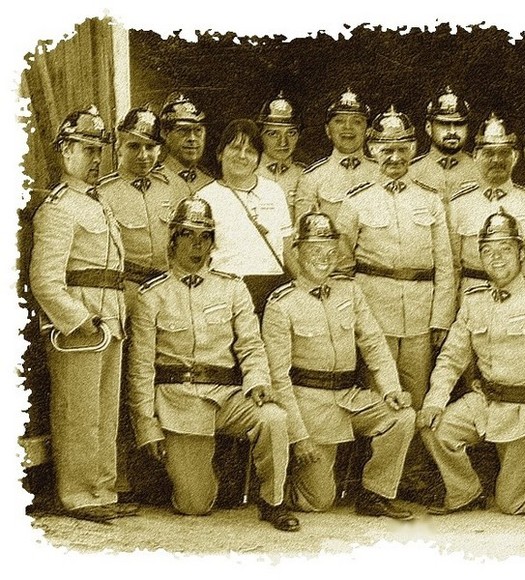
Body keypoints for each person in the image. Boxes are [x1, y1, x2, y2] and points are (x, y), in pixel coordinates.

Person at [127, 197, 301, 532]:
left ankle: (273, 502)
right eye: (188, 235)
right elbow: (141, 368)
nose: (197, 245)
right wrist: (147, 425)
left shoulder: (232, 287)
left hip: (228, 396)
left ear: (213, 243)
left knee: (273, 417)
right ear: (173, 240)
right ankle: (204, 474)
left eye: (205, 237)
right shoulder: (152, 295)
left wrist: (257, 380)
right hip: (181, 402)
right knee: (194, 505)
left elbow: (251, 344)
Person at [419, 209, 525, 516]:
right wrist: (434, 400)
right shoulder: (474, 300)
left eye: (505, 249)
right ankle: (465, 492)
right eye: (487, 251)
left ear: (522, 253)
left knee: (513, 503)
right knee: (434, 427)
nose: (496, 258)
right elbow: (451, 358)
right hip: (484, 403)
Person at [262, 212, 416, 520]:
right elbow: (278, 378)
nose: (325, 257)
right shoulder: (281, 304)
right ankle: (278, 484)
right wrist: (298, 436)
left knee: (402, 416)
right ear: (297, 252)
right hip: (311, 406)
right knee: (319, 500)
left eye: (331, 250)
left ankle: (374, 494)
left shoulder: (350, 290)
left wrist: (391, 389)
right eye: (315, 249)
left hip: (349, 398)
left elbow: (373, 342)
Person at [29, 105, 132, 523]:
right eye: (86, 149)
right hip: (78, 328)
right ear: (65, 151)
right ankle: (77, 495)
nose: (95, 158)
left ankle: (102, 490)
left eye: (98, 150)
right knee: (78, 413)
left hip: (110, 321)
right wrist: (78, 319)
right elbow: (44, 279)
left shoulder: (98, 202)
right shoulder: (58, 208)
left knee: (104, 413)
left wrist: (109, 319)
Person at [334, 105, 456, 411]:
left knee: (417, 393)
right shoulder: (357, 200)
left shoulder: (430, 199)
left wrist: (441, 319)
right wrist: (352, 316)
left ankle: (415, 446)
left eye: (402, 149)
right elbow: (341, 266)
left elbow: (445, 264)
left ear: (413, 149)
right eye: (387, 150)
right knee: (379, 397)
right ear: (373, 150)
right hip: (373, 312)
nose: (395, 157)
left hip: (420, 315)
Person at [449, 112, 525, 292]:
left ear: (515, 157)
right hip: (473, 295)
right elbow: (451, 267)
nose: (497, 160)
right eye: (488, 153)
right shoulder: (459, 204)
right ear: (475, 157)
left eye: (504, 153)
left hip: (521, 294)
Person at [196, 119, 294, 312]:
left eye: (250, 151)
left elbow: (287, 249)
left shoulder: (273, 191)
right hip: (225, 291)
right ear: (220, 153)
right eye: (235, 148)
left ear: (258, 159)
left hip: (273, 292)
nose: (242, 156)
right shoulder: (205, 198)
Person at [99, 105, 191, 307]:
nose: (143, 155)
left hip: (168, 291)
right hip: (127, 292)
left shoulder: (175, 187)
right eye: (134, 147)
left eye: (150, 147)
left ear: (159, 150)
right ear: (119, 148)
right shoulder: (103, 193)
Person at [296, 89, 379, 221]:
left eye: (357, 122)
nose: (348, 127)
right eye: (339, 121)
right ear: (328, 130)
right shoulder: (312, 177)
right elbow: (304, 228)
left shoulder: (381, 172)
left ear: (368, 131)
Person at [408, 86, 480, 207]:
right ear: (428, 127)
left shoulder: (481, 169)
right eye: (444, 124)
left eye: (459, 124)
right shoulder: (411, 171)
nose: (452, 131)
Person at [255, 91, 311, 223]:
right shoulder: (248, 172)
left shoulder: (306, 176)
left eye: (291, 133)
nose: (283, 143)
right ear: (260, 135)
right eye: (273, 134)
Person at [158, 92, 214, 193]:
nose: (192, 138)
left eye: (198, 130)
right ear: (165, 133)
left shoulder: (210, 182)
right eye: (183, 130)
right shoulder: (153, 178)